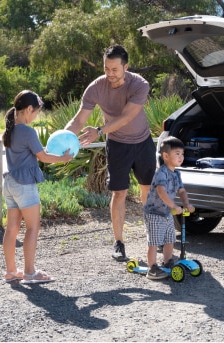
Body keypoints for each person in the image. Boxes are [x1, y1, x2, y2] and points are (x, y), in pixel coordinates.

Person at [65, 44, 156, 262]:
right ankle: (119, 242)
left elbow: (126, 117)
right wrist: (61, 140)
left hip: (142, 142)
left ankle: (154, 236)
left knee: (147, 190)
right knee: (119, 192)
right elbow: (79, 120)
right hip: (118, 145)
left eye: (115, 69)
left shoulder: (139, 84)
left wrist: (99, 131)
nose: (110, 74)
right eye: (106, 69)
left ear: (127, 66)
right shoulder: (96, 87)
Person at [2, 90, 72, 284]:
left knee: (11, 229)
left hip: (9, 184)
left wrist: (50, 154)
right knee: (33, 227)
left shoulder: (10, 129)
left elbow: (36, 152)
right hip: (24, 186)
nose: (35, 117)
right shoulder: (27, 131)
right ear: (29, 109)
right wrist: (64, 159)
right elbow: (43, 157)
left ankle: (11, 271)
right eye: (36, 113)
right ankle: (30, 272)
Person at [143, 136, 194, 280]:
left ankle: (167, 261)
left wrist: (187, 204)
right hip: (154, 212)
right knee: (154, 241)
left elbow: (182, 191)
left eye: (182, 154)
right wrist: (174, 205)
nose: (181, 157)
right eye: (177, 154)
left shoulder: (176, 173)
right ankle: (151, 268)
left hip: (166, 212)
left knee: (170, 239)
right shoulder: (162, 172)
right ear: (166, 156)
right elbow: (161, 191)